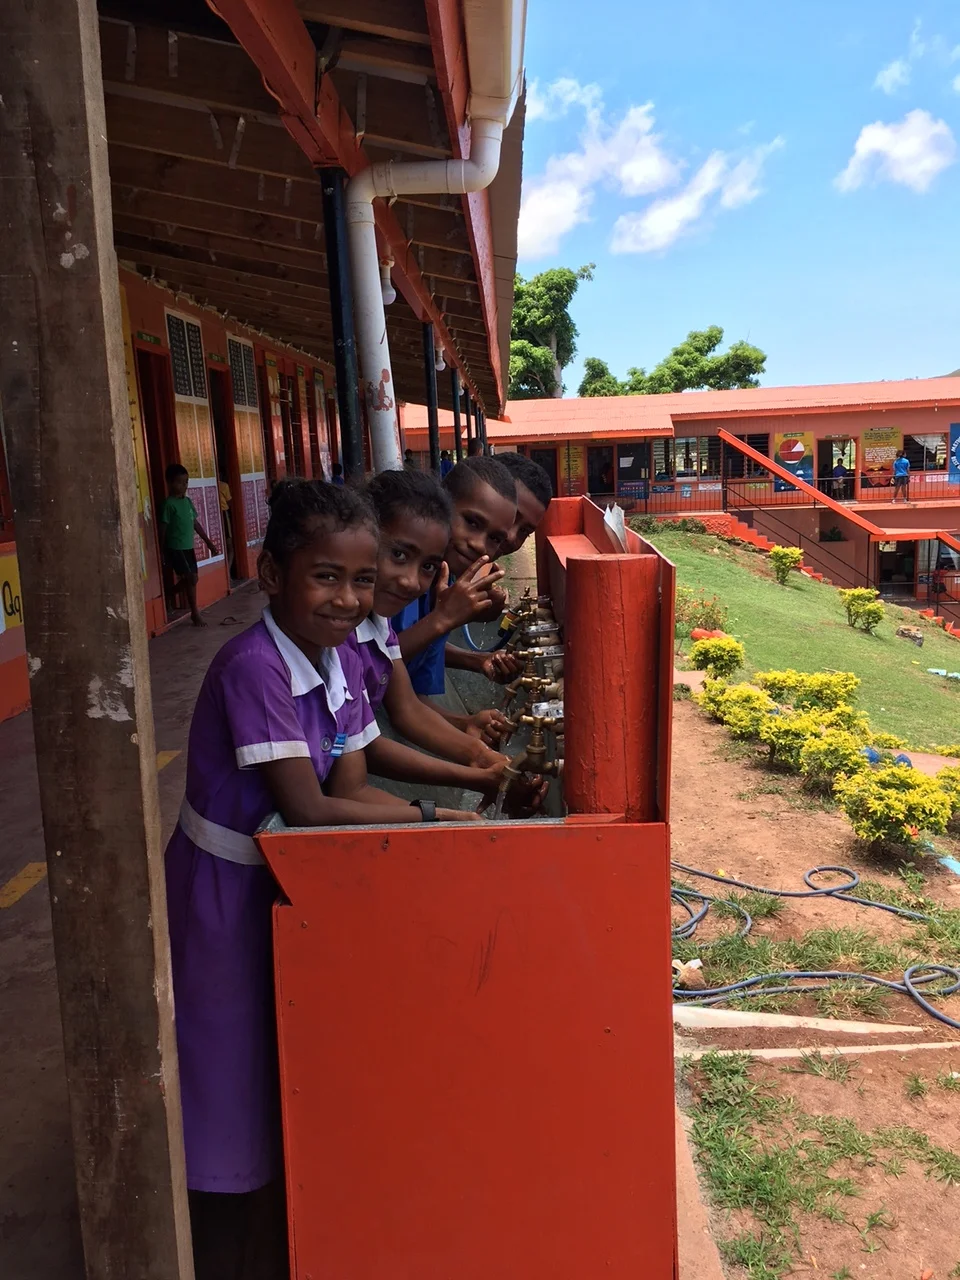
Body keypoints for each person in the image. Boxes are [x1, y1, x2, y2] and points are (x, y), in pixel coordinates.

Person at [165, 479, 479, 1280]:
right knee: (224, 1072)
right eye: (325, 577)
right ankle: (217, 1241)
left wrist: (439, 819)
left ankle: (279, 1225)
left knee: (284, 1062)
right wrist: (432, 821)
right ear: (273, 575)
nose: (348, 599)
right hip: (224, 896)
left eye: (362, 580)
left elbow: (351, 784)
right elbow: (306, 807)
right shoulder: (255, 668)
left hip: (287, 890)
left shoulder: (334, 660)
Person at [393, 456, 516, 742]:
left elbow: (409, 693)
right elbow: (376, 671)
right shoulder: (405, 582)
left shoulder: (441, 583)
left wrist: (464, 725)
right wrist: (444, 618)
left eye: (495, 538)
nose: (478, 544)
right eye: (472, 522)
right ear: (441, 506)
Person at [160, 463, 218, 627]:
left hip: (188, 547)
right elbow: (163, 528)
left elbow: (195, 523)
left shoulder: (187, 502)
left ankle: (169, 594)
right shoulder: (168, 504)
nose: (184, 486)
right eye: (179, 482)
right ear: (170, 483)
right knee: (191, 578)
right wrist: (162, 549)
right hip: (175, 547)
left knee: (193, 578)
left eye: (186, 482)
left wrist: (209, 543)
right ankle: (194, 612)